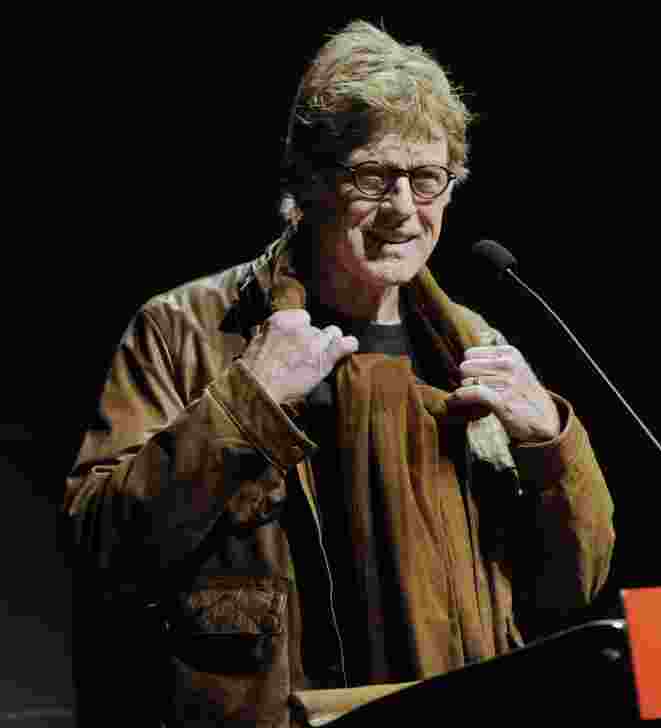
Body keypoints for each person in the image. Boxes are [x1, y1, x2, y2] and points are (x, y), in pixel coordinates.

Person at [64, 20, 614, 727]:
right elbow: (99, 549)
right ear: (310, 181)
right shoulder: (185, 327)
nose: (404, 211)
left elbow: (570, 593)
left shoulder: (473, 345)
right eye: (372, 177)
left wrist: (549, 448)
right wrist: (245, 409)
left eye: (427, 179)